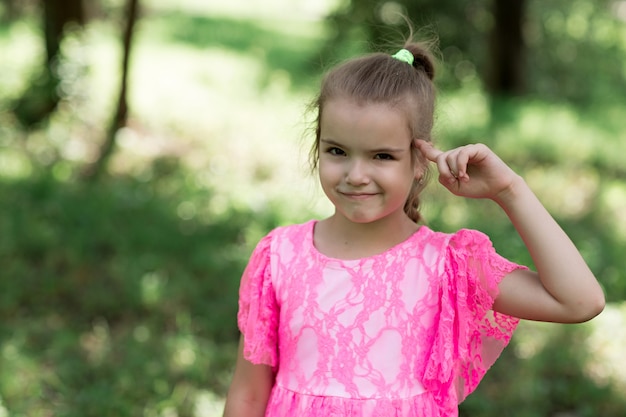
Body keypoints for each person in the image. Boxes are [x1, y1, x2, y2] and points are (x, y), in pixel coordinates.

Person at [222, 38, 605, 417]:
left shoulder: (448, 265)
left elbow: (579, 301)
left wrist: (510, 190)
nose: (356, 175)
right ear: (317, 147)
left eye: (382, 156)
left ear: (421, 159)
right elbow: (247, 397)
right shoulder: (280, 256)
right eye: (337, 151)